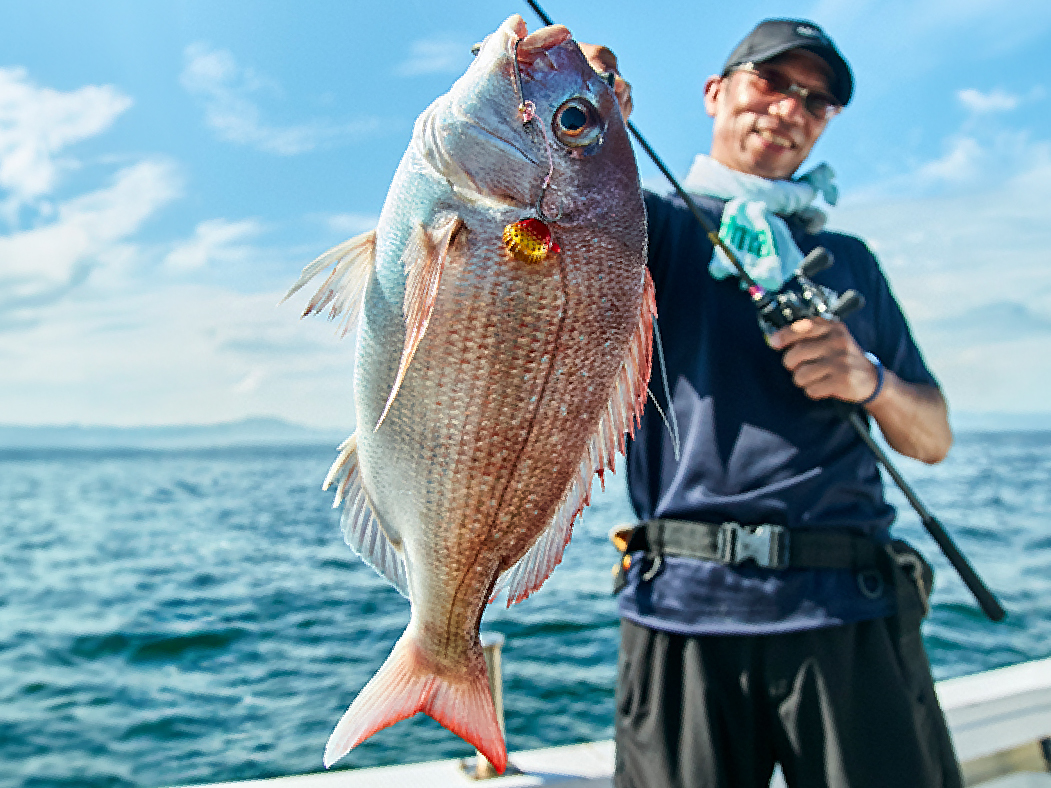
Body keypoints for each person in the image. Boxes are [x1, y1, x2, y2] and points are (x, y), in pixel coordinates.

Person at [582, 19, 963, 788]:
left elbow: (932, 437)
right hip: (680, 611)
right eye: (771, 82)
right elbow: (539, 208)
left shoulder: (851, 260)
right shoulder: (644, 226)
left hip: (847, 610)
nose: (791, 108)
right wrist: (582, 119)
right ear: (714, 93)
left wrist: (869, 381)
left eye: (816, 101)